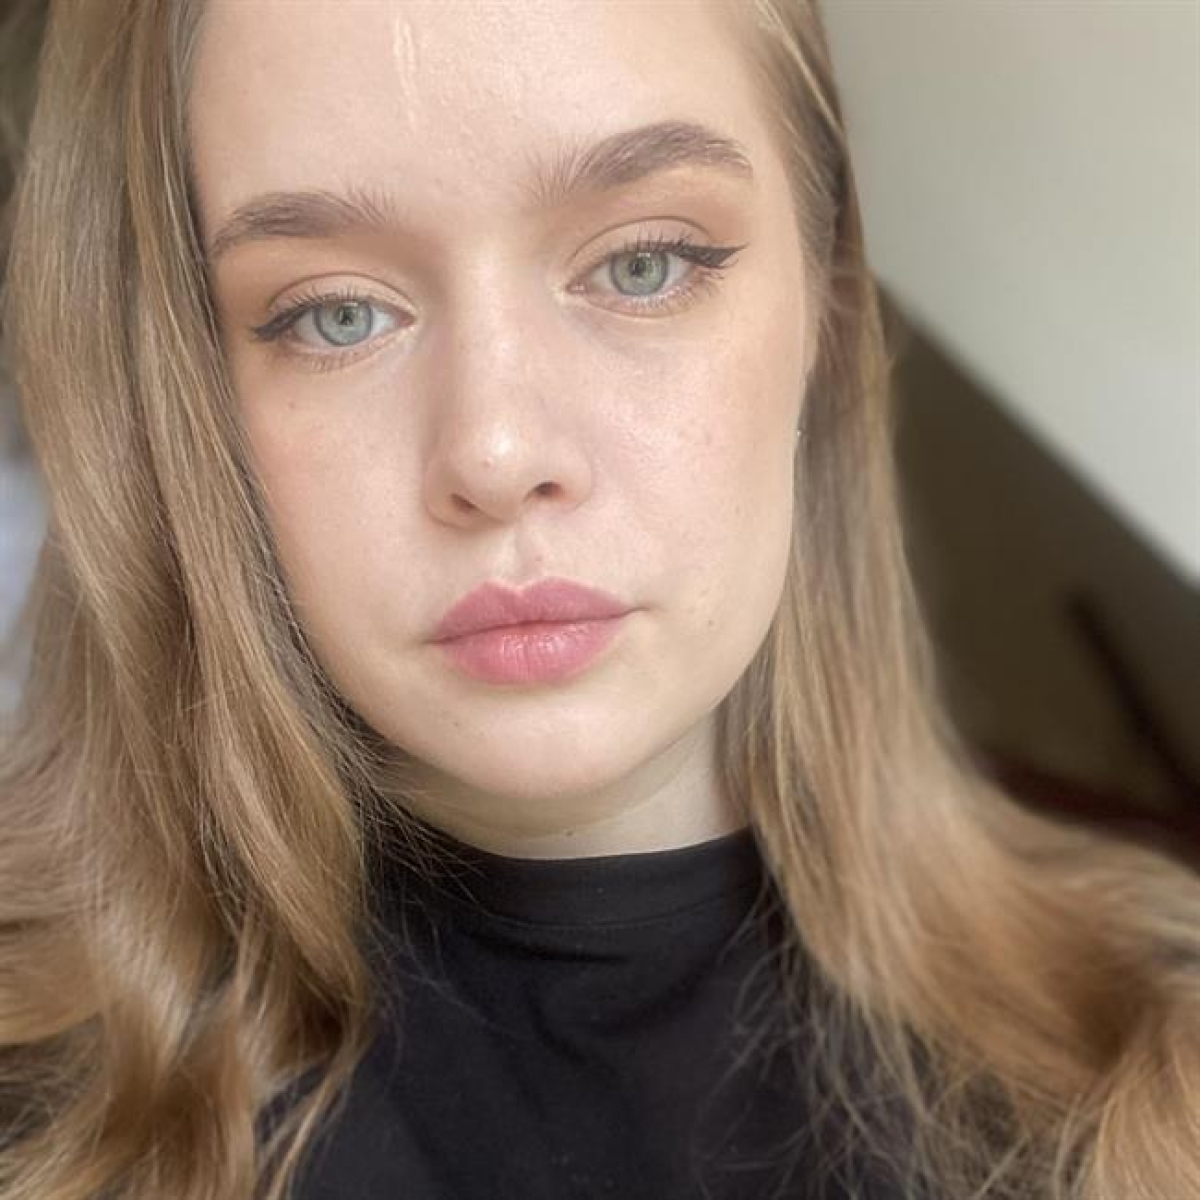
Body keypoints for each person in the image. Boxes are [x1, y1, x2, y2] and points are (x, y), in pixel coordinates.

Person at [1, 2, 1197, 1198]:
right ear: (183, 396)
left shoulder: (1157, 1090)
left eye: (643, 263)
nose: (497, 450)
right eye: (336, 313)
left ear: (825, 312)